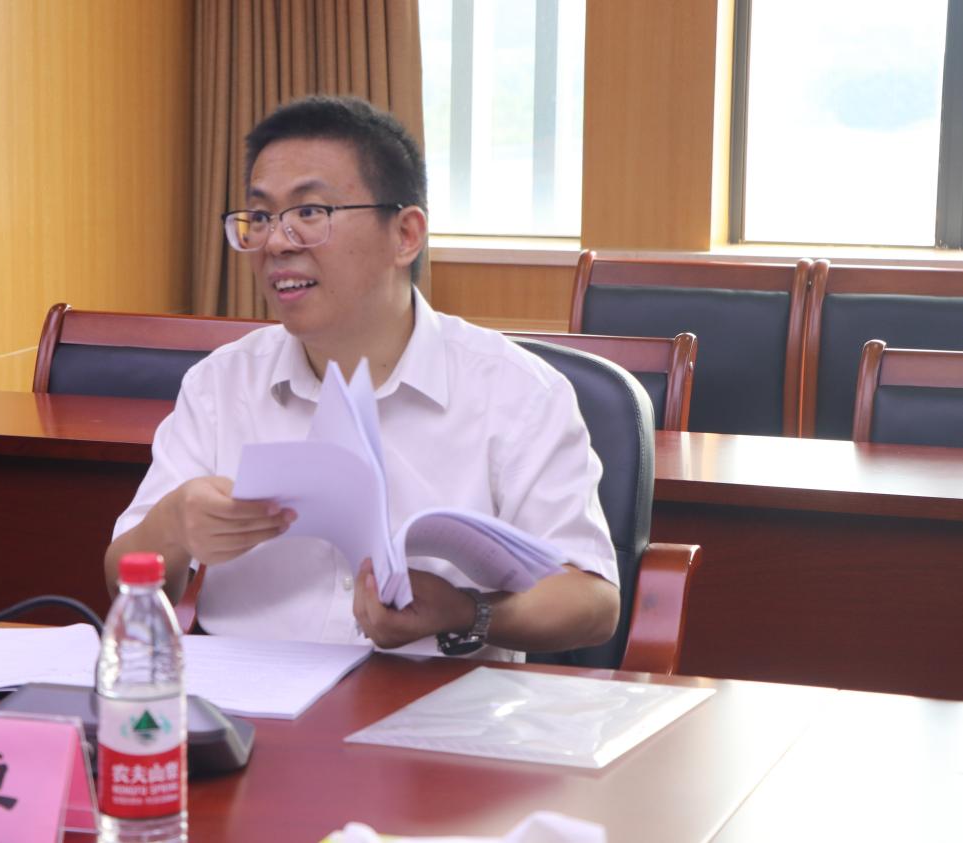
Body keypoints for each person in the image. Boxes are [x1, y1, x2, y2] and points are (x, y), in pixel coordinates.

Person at [105, 95, 618, 661]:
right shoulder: (220, 384)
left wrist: (466, 611)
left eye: (309, 213)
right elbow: (121, 576)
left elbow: (592, 601)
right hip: (248, 699)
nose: (275, 243)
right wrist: (173, 526)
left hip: (437, 701)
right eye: (261, 217)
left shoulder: (517, 392)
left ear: (405, 235)